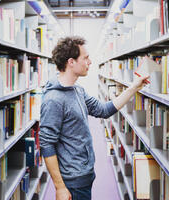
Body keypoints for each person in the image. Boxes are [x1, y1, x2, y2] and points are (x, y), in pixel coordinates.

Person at [39, 36, 148, 200]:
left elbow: (103, 110)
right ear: (71, 62)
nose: (90, 62)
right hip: (72, 180)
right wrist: (60, 187)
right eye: (86, 57)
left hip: (84, 174)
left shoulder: (77, 90)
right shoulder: (54, 99)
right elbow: (47, 143)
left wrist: (133, 87)